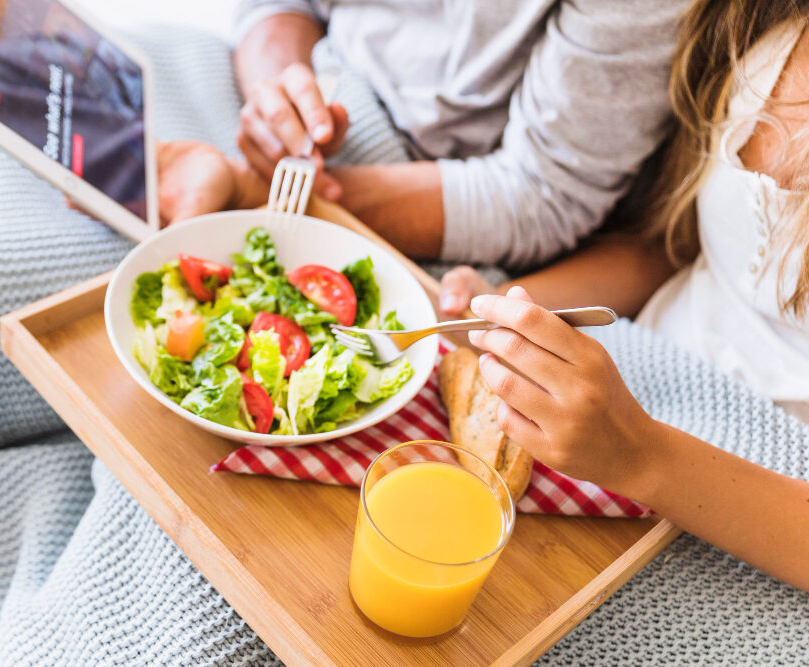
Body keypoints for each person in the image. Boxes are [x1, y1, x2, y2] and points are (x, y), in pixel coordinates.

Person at [439, 0, 809, 591]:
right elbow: (675, 247)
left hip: (742, 518)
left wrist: (638, 455)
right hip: (630, 389)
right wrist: (516, 308)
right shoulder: (761, 19)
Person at [157, 0, 686, 264]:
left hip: (403, 194)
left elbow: (544, 194)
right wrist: (276, 94)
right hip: (253, 90)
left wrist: (259, 198)